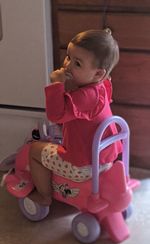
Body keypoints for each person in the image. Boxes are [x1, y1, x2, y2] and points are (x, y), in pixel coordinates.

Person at [28, 28, 122, 206]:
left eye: (77, 63)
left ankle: (44, 197)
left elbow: (55, 116)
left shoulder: (84, 97)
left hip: (81, 166)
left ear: (98, 74)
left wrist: (57, 84)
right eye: (69, 57)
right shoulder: (102, 85)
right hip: (104, 159)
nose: (68, 65)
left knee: (34, 150)